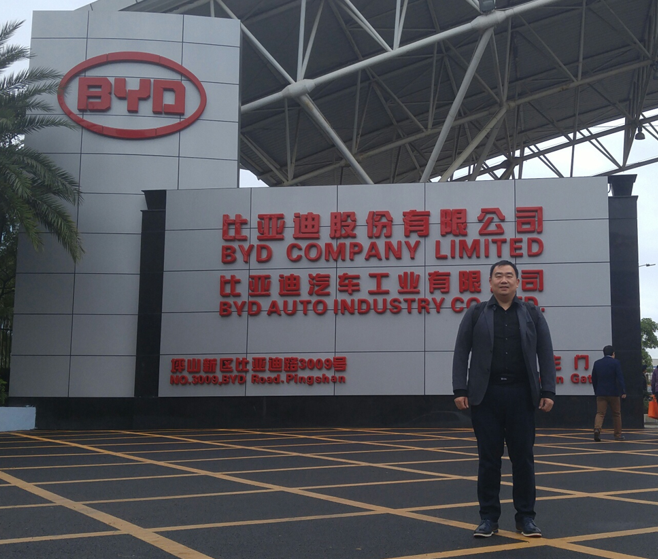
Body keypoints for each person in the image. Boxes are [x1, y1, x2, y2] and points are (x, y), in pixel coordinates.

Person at [452, 260, 556, 539]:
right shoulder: (476, 313)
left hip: (522, 396)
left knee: (523, 459)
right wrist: (459, 389)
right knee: (488, 460)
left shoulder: (531, 313)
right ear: (490, 283)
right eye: (498, 276)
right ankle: (488, 518)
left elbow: (545, 351)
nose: (504, 280)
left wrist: (548, 391)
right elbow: (461, 351)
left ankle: (526, 518)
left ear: (517, 282)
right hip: (486, 397)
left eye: (509, 275)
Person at [591, 345, 626, 441]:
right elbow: (620, 377)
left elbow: (594, 378)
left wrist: (596, 390)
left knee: (600, 413)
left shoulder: (597, 363)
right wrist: (623, 391)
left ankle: (597, 429)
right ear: (613, 353)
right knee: (616, 414)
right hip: (614, 392)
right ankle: (617, 435)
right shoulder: (616, 363)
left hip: (601, 392)